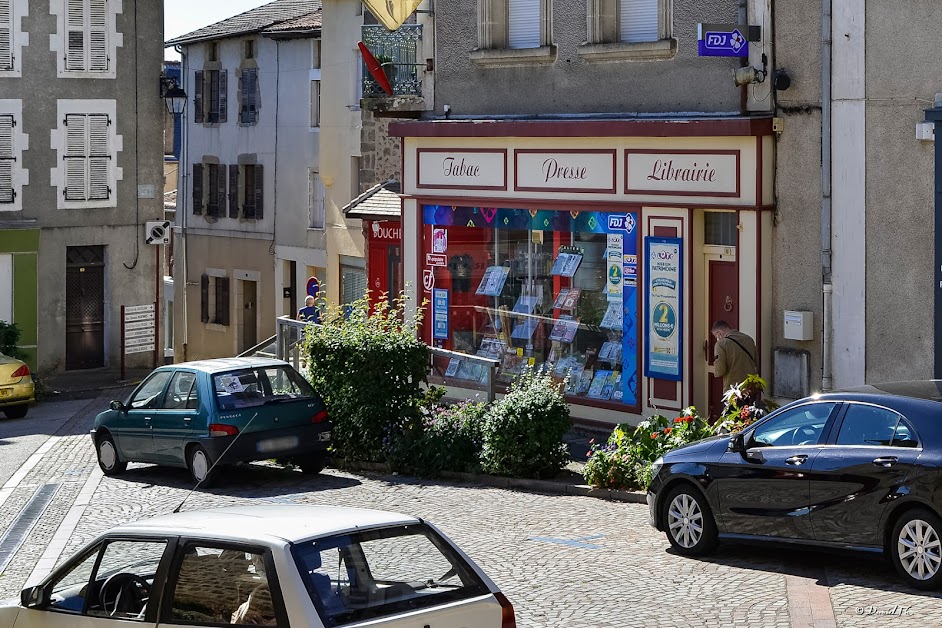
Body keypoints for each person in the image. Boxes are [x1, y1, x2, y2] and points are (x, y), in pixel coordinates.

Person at [711, 320, 757, 391]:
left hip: (733, 388)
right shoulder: (749, 339)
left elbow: (720, 371)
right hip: (750, 386)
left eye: (716, 336)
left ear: (719, 333)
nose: (717, 338)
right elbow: (756, 362)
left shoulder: (721, 344)